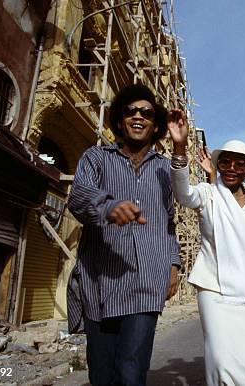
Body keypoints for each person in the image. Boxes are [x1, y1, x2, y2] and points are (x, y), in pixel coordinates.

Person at [67, 83, 180, 386]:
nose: (138, 116)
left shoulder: (165, 171)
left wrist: (174, 265)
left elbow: (169, 222)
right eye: (130, 111)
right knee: (102, 374)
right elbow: (78, 196)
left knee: (131, 372)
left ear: (155, 124)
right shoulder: (96, 158)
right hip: (101, 282)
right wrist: (108, 206)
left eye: (146, 112)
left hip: (146, 281)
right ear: (120, 120)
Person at [167, 111, 245, 386]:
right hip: (214, 286)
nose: (232, 168)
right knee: (222, 360)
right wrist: (179, 147)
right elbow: (182, 193)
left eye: (239, 163)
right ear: (219, 165)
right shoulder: (208, 194)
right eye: (226, 162)